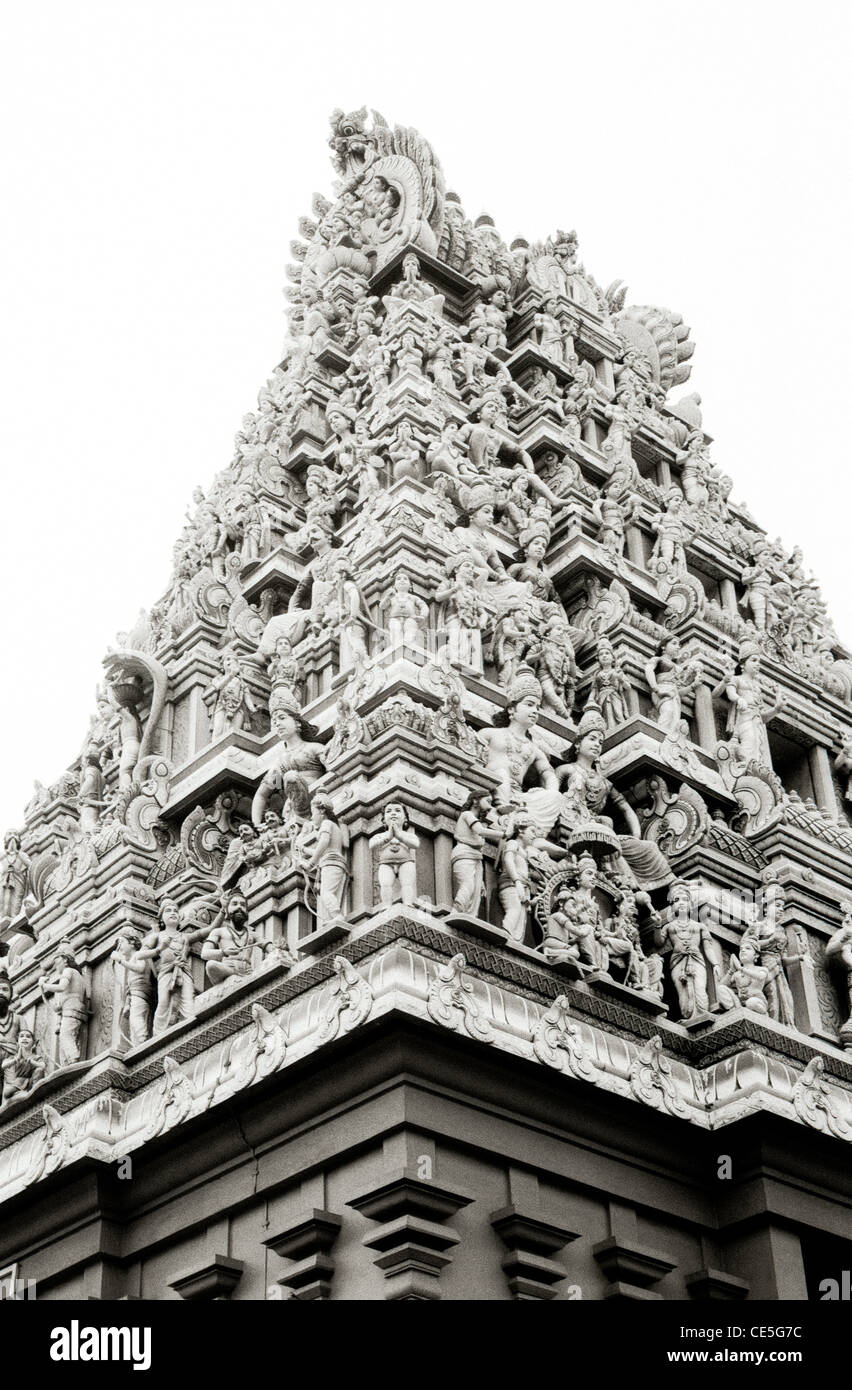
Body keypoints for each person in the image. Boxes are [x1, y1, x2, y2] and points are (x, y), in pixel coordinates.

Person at [370, 803, 420, 908]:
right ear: (384, 820)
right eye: (389, 811)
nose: (393, 813)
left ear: (405, 818)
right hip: (386, 863)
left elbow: (416, 844)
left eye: (397, 811)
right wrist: (388, 836)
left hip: (405, 861)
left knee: (407, 884)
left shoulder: (408, 835)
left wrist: (399, 835)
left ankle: (407, 903)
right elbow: (371, 845)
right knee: (385, 884)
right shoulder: (381, 835)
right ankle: (387, 905)